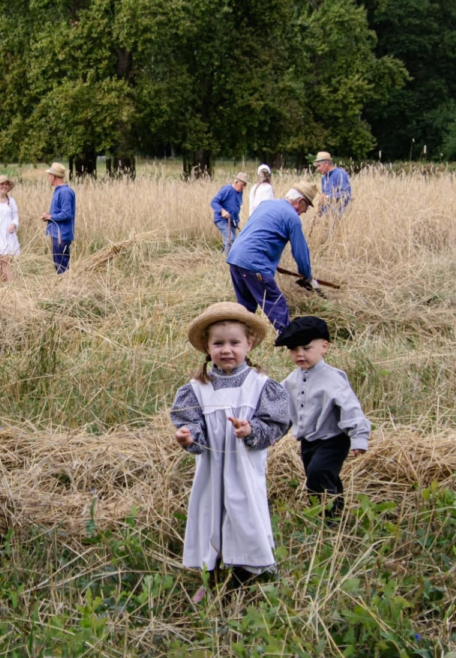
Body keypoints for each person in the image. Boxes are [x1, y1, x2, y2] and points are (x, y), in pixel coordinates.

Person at [171, 302, 292, 603]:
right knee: (210, 516)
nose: (226, 350)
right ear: (207, 347)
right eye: (218, 344)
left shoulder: (260, 386)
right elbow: (192, 425)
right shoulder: (197, 389)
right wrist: (188, 437)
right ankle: (211, 577)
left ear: (249, 344)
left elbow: (275, 424)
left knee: (245, 516)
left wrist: (251, 431)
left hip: (244, 470)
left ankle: (247, 578)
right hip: (211, 471)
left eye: (234, 343)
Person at [275, 317, 370, 521]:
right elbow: (284, 411)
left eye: (306, 348)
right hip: (308, 441)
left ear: (324, 347)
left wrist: (359, 437)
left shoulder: (333, 379)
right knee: (322, 475)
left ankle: (326, 517)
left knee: (317, 475)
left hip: (333, 440)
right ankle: (336, 514)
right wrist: (274, 433)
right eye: (294, 349)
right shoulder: (291, 381)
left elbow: (350, 408)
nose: (300, 354)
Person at [225, 182, 321, 332]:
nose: (305, 211)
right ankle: (288, 339)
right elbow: (300, 252)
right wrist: (307, 276)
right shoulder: (292, 218)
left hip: (235, 258)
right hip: (254, 264)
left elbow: (256, 233)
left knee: (246, 308)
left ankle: (237, 338)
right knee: (277, 305)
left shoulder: (266, 205)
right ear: (300, 201)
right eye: (307, 206)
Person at [41, 162, 76, 274]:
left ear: (54, 176)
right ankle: (63, 283)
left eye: (49, 175)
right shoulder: (59, 191)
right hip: (57, 234)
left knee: (62, 268)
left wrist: (50, 216)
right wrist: (48, 217)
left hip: (62, 235)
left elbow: (67, 214)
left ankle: (66, 284)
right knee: (58, 265)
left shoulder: (65, 192)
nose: (48, 177)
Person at [210, 172, 248, 255]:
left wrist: (236, 221)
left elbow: (236, 206)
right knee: (230, 239)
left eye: (245, 185)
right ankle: (227, 259)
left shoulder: (240, 192)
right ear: (236, 182)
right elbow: (214, 202)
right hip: (221, 220)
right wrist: (222, 211)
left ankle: (222, 256)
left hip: (232, 221)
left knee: (234, 242)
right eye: (242, 185)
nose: (244, 187)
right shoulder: (227, 190)